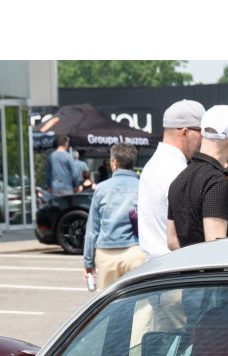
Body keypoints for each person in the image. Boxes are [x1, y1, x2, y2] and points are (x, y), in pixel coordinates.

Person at [167, 104, 228, 249]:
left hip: (186, 262)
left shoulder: (178, 180)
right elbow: (216, 246)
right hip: (219, 264)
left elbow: (172, 242)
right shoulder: (216, 182)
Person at [136, 99, 204, 261]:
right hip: (175, 264)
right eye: (201, 132)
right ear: (185, 132)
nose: (203, 140)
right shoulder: (178, 171)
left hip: (154, 263)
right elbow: (189, 230)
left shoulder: (152, 165)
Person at [82, 142, 144, 289]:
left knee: (109, 300)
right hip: (135, 250)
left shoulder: (101, 189)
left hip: (107, 253)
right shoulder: (142, 186)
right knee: (140, 300)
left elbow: (92, 230)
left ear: (114, 163)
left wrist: (88, 262)